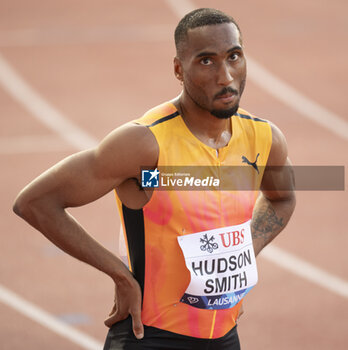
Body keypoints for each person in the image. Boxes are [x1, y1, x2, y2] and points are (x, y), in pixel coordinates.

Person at [13, 8, 296, 350]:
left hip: (224, 336)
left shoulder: (265, 138)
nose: (225, 76)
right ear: (179, 69)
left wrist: (246, 251)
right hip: (149, 336)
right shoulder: (144, 144)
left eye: (234, 57)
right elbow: (35, 202)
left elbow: (282, 197)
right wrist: (120, 276)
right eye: (206, 61)